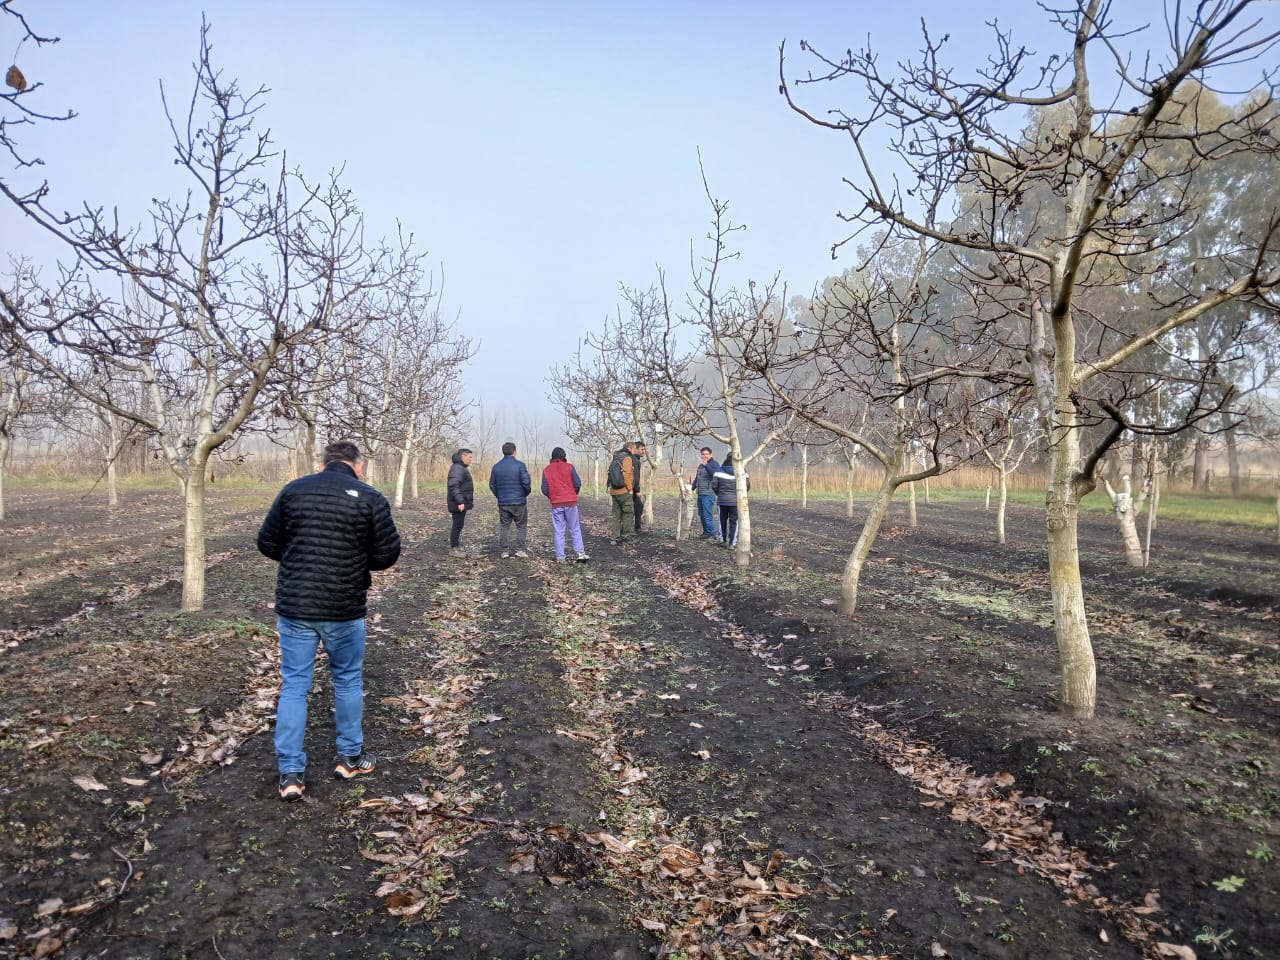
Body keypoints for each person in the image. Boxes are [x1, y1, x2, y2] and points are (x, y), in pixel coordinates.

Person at [257, 440, 401, 801]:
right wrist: (353, 559)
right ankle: (350, 757)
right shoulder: (369, 498)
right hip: (343, 606)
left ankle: (290, 772)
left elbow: (267, 543)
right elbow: (387, 554)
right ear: (359, 466)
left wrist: (299, 558)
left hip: (296, 607)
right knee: (348, 679)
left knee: (294, 685)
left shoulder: (293, 491)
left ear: (322, 465)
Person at [541, 446, 590, 562]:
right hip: (571, 502)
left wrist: (551, 496)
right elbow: (577, 483)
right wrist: (574, 493)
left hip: (556, 504)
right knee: (575, 528)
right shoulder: (570, 467)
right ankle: (580, 553)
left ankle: (560, 557)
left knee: (559, 530)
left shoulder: (547, 470)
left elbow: (544, 488)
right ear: (564, 456)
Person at [489, 441, 532, 558]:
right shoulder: (520, 465)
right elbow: (526, 482)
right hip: (519, 501)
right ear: (514, 451)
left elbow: (492, 485)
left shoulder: (496, 467)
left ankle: (504, 551)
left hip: (503, 502)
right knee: (521, 526)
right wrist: (525, 493)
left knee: (504, 526)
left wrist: (499, 495)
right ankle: (520, 549)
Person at [711, 452, 749, 548]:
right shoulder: (742, 471)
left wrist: (719, 494)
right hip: (735, 502)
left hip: (722, 500)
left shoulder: (719, 470)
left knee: (722, 520)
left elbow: (714, 485)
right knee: (734, 522)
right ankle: (732, 543)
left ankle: (722, 540)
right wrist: (740, 496)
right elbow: (747, 486)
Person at [606, 441, 637, 544]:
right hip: (624, 491)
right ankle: (627, 536)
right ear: (630, 448)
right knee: (628, 513)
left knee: (616, 515)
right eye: (634, 449)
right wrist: (630, 488)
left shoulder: (616, 457)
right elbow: (627, 474)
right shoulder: (627, 458)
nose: (634, 451)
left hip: (614, 491)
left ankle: (614, 538)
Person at [446, 448, 474, 555]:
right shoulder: (458, 468)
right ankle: (454, 549)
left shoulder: (460, 467)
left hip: (459, 502)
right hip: (458, 503)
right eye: (469, 457)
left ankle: (456, 546)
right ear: (463, 457)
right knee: (457, 525)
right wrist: (460, 501)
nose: (471, 459)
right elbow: (453, 486)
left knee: (458, 524)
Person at [691, 446, 720, 539]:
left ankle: (711, 534)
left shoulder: (714, 464)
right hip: (700, 493)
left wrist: (707, 464)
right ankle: (706, 532)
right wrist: (691, 488)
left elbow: (714, 475)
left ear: (711, 455)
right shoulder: (700, 466)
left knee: (707, 514)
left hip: (709, 493)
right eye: (703, 454)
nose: (704, 456)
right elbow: (697, 479)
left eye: (706, 454)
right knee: (702, 514)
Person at [631, 440, 647, 534]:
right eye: (642, 449)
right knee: (638, 507)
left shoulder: (634, 459)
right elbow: (635, 477)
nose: (643, 451)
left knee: (637, 507)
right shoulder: (635, 460)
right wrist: (637, 490)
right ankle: (637, 528)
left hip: (631, 489)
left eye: (644, 449)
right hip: (632, 489)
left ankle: (636, 527)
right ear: (635, 449)